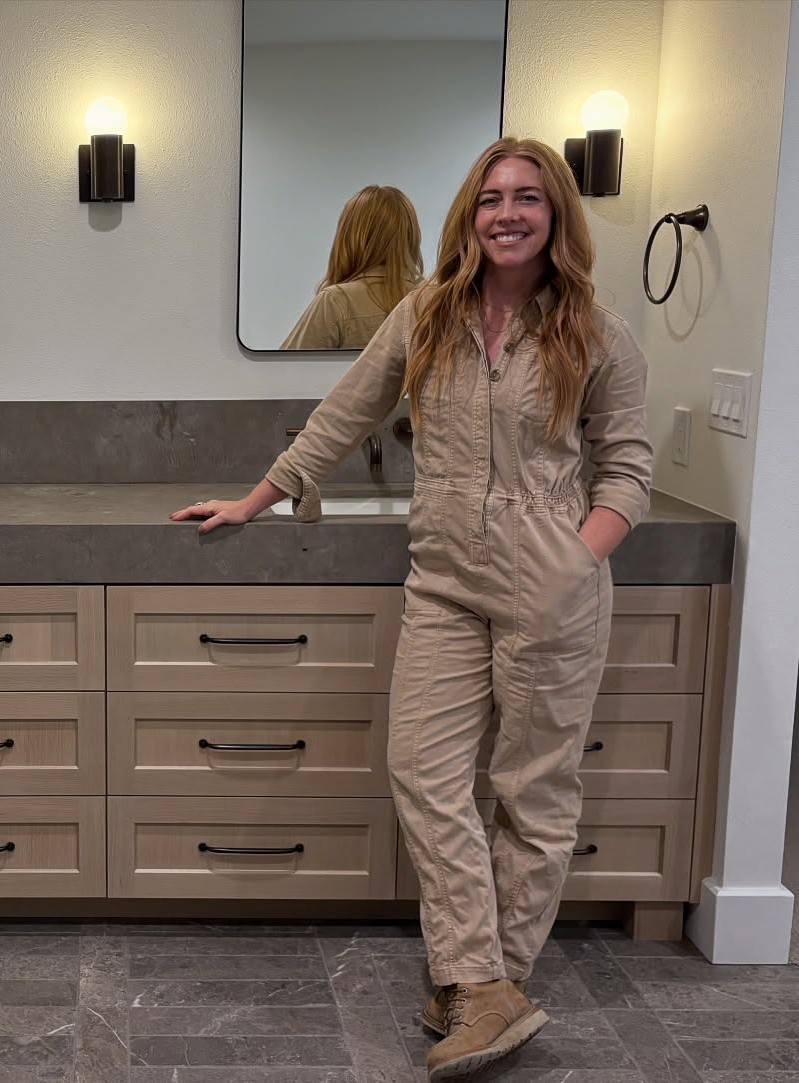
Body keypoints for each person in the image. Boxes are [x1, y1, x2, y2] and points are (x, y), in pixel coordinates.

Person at [173, 137, 652, 1081]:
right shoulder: (426, 313)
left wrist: (574, 559)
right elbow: (343, 413)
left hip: (552, 591)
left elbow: (628, 471)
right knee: (425, 773)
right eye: (490, 198)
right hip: (442, 582)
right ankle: (484, 984)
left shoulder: (599, 332)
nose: (507, 213)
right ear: (467, 216)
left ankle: (482, 986)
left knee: (533, 794)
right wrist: (257, 497)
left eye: (527, 197)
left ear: (558, 213)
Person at [280, 184, 423, 350]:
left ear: (349, 236)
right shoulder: (432, 298)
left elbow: (285, 370)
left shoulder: (336, 301)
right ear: (411, 236)